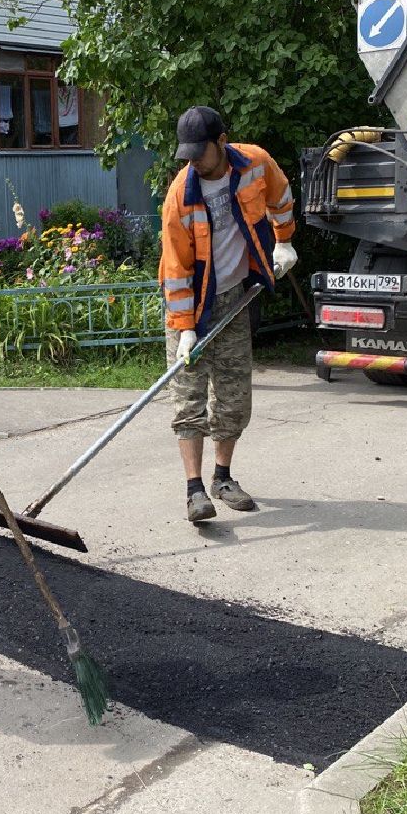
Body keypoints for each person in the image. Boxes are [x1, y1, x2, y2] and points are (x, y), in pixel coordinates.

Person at [159, 105, 298, 523]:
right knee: (188, 399)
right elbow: (176, 269)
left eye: (200, 153)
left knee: (234, 397)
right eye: (187, 156)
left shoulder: (255, 163)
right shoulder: (180, 197)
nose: (193, 162)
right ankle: (194, 491)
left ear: (222, 142)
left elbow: (282, 195)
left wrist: (284, 241)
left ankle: (223, 478)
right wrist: (185, 329)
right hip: (192, 305)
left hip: (236, 298)